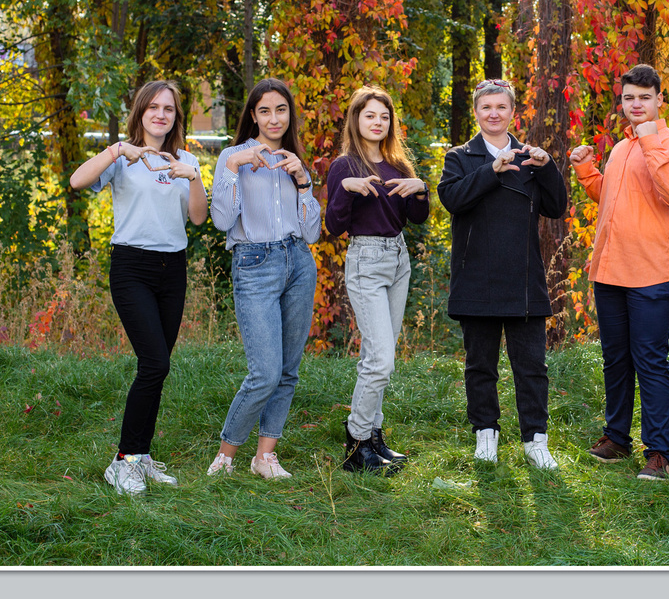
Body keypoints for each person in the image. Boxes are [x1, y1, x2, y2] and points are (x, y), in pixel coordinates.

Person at [68, 79, 206, 495]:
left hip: (173, 270)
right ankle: (124, 460)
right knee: (155, 364)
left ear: (175, 116)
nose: (161, 115)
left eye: (168, 109)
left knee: (157, 367)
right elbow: (76, 181)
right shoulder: (123, 157)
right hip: (132, 267)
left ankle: (140, 457)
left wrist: (195, 176)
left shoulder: (185, 161)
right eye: (153, 108)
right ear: (141, 112)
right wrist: (115, 150)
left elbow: (198, 218)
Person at [570, 64, 669, 482]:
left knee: (650, 361)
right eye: (629, 98)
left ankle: (660, 451)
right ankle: (616, 438)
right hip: (609, 269)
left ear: (660, 100)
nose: (636, 104)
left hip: (651, 273)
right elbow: (612, 196)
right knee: (616, 359)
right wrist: (588, 170)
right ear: (621, 102)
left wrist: (650, 142)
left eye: (644, 97)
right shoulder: (621, 148)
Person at [439, 80, 568, 469]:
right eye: (486, 107)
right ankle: (486, 436)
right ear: (476, 112)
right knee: (480, 365)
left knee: (531, 366)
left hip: (523, 281)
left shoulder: (531, 158)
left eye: (501, 107)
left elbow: (557, 207)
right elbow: (452, 199)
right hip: (475, 278)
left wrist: (548, 170)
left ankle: (536, 441)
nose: (493, 113)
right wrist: (492, 171)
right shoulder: (459, 157)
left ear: (513, 112)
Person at [206, 78, 321, 480]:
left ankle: (265, 457)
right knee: (265, 372)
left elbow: (313, 233)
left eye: (281, 110)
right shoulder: (231, 157)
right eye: (265, 111)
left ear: (290, 114)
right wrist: (235, 169)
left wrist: (303, 181)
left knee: (288, 369)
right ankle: (225, 457)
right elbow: (221, 220)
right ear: (252, 115)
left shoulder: (295, 160)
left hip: (299, 262)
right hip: (255, 264)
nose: (274, 118)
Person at [324, 86, 431, 473]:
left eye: (384, 117)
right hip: (366, 259)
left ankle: (374, 436)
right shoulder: (344, 167)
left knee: (376, 358)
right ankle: (355, 443)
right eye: (370, 115)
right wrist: (346, 192)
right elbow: (334, 226)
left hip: (398, 258)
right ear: (356, 120)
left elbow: (415, 218)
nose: (377, 122)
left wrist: (421, 191)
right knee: (382, 360)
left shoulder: (397, 165)